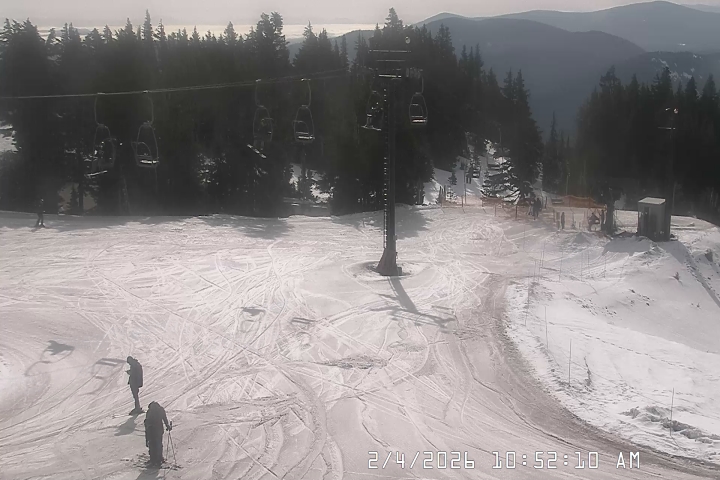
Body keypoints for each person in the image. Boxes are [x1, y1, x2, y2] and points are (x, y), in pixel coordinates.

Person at [144, 401, 171, 467]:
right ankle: (159, 459)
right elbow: (164, 418)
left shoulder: (149, 411)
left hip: (151, 430)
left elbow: (147, 421)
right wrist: (167, 426)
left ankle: (153, 459)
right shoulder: (161, 410)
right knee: (158, 443)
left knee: (152, 445)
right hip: (159, 429)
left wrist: (147, 436)